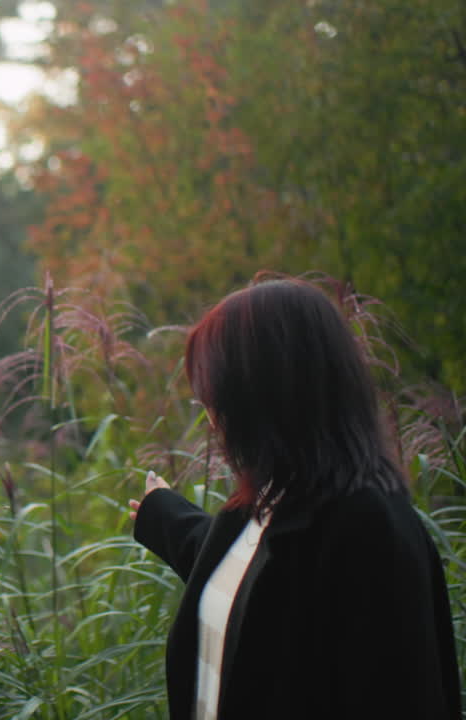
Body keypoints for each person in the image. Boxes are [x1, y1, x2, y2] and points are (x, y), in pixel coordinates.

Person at [128, 278, 461, 720]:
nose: (211, 419)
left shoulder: (372, 528)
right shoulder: (269, 499)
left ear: (265, 393)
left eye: (217, 396)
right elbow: (258, 590)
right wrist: (163, 515)